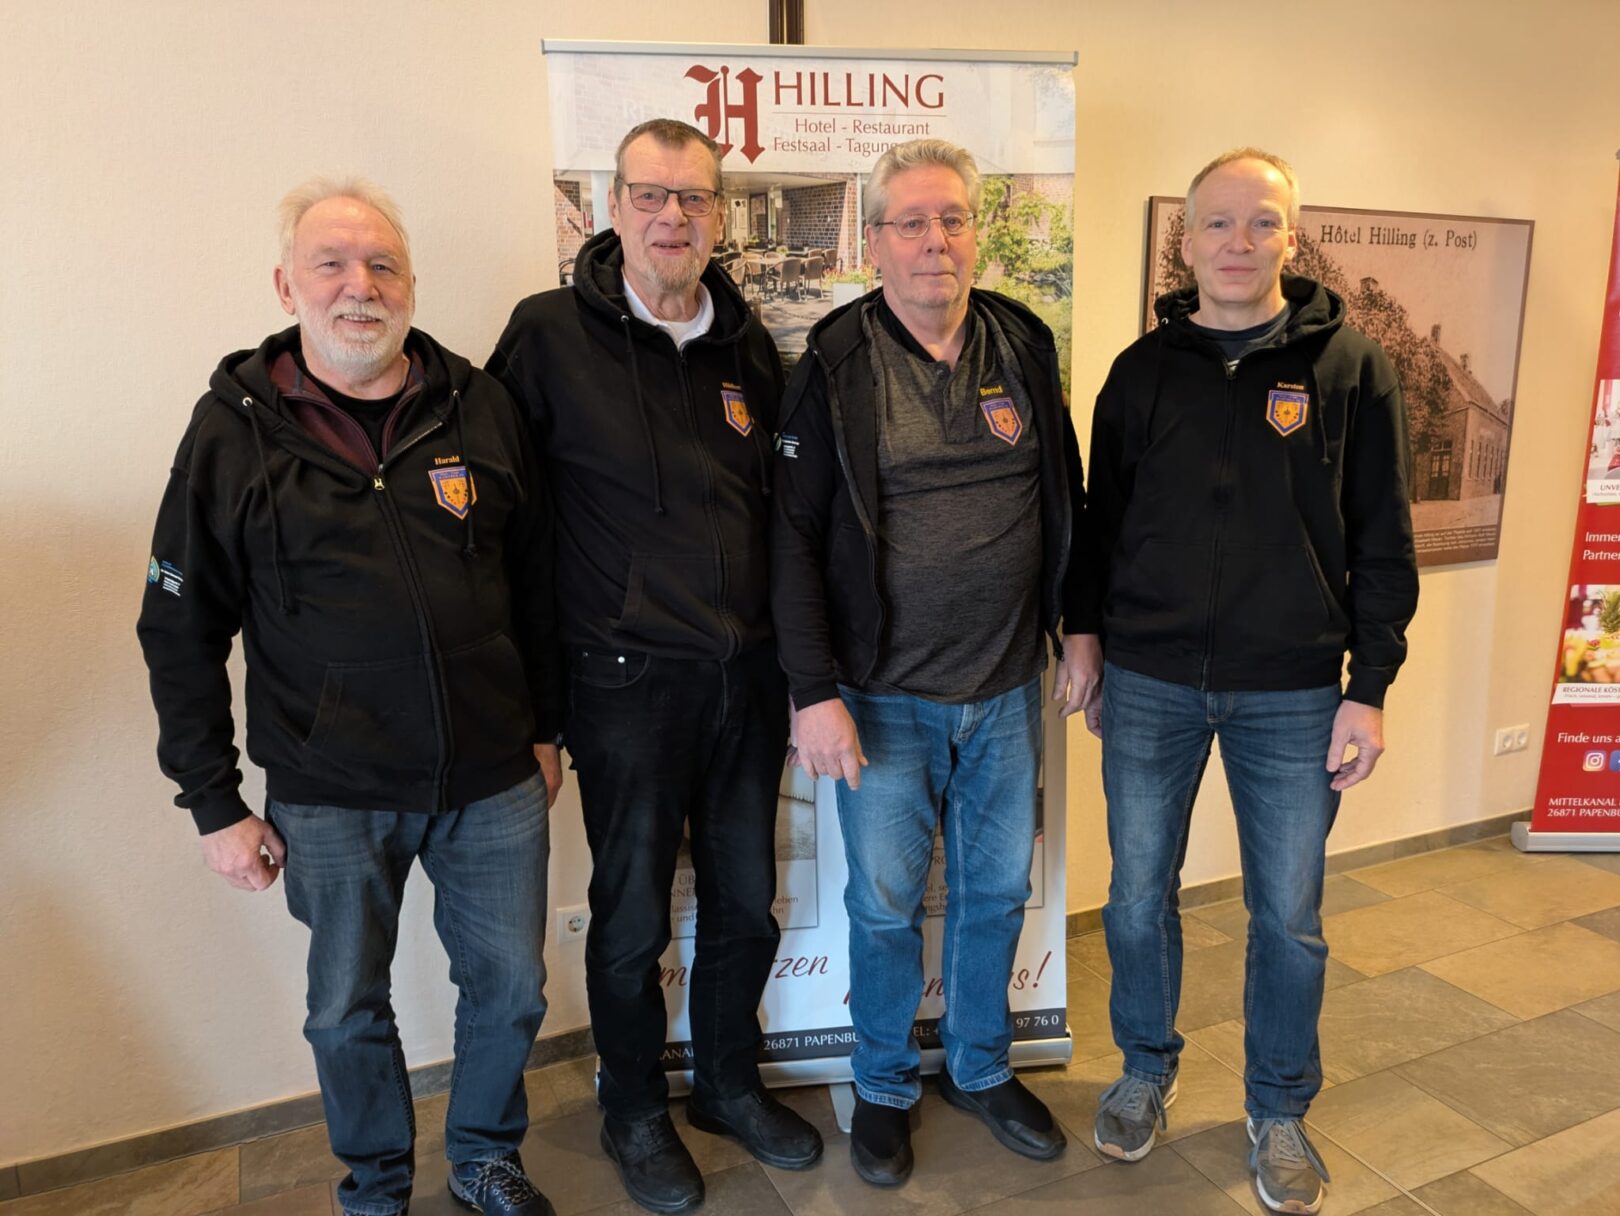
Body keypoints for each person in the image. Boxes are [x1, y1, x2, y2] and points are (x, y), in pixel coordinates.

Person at [136, 178, 561, 1216]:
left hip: (492, 776)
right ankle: (375, 1181)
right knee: (344, 1008)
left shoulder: (480, 405)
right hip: (328, 786)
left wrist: (548, 727)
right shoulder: (231, 432)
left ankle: (484, 1155)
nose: (359, 286)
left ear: (410, 284)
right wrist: (214, 802)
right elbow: (179, 627)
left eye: (382, 265)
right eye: (331, 264)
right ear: (288, 285)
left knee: (511, 989)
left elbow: (541, 582)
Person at [487, 118, 821, 1214]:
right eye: (650, 195)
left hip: (747, 681)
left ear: (717, 215)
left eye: (693, 198)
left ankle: (726, 1083)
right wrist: (537, 708)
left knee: (746, 903)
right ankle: (632, 1105)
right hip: (623, 683)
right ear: (612, 207)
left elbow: (780, 513)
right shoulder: (546, 336)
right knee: (630, 915)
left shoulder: (748, 346)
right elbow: (507, 528)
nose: (672, 217)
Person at [1086, 148, 1419, 1215]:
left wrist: (1370, 685)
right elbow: (1098, 526)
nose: (1239, 242)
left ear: (1291, 236)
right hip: (1149, 679)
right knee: (1137, 896)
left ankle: (1278, 1106)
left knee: (1288, 915)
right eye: (1219, 223)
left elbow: (1384, 538)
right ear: (1185, 242)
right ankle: (1146, 1068)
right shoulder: (1141, 371)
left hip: (1296, 691)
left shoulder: (1351, 367)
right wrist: (1085, 639)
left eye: (1261, 222)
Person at [772, 138, 1102, 1186]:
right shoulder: (835, 364)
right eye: (910, 223)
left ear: (976, 232)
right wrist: (813, 692)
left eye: (952, 219)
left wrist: (1080, 624)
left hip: (1006, 688)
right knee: (883, 905)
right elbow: (793, 538)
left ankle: (980, 1066)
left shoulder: (1022, 340)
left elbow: (1064, 494)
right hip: (882, 699)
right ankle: (881, 1085)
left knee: (995, 894)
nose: (934, 242)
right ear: (874, 242)